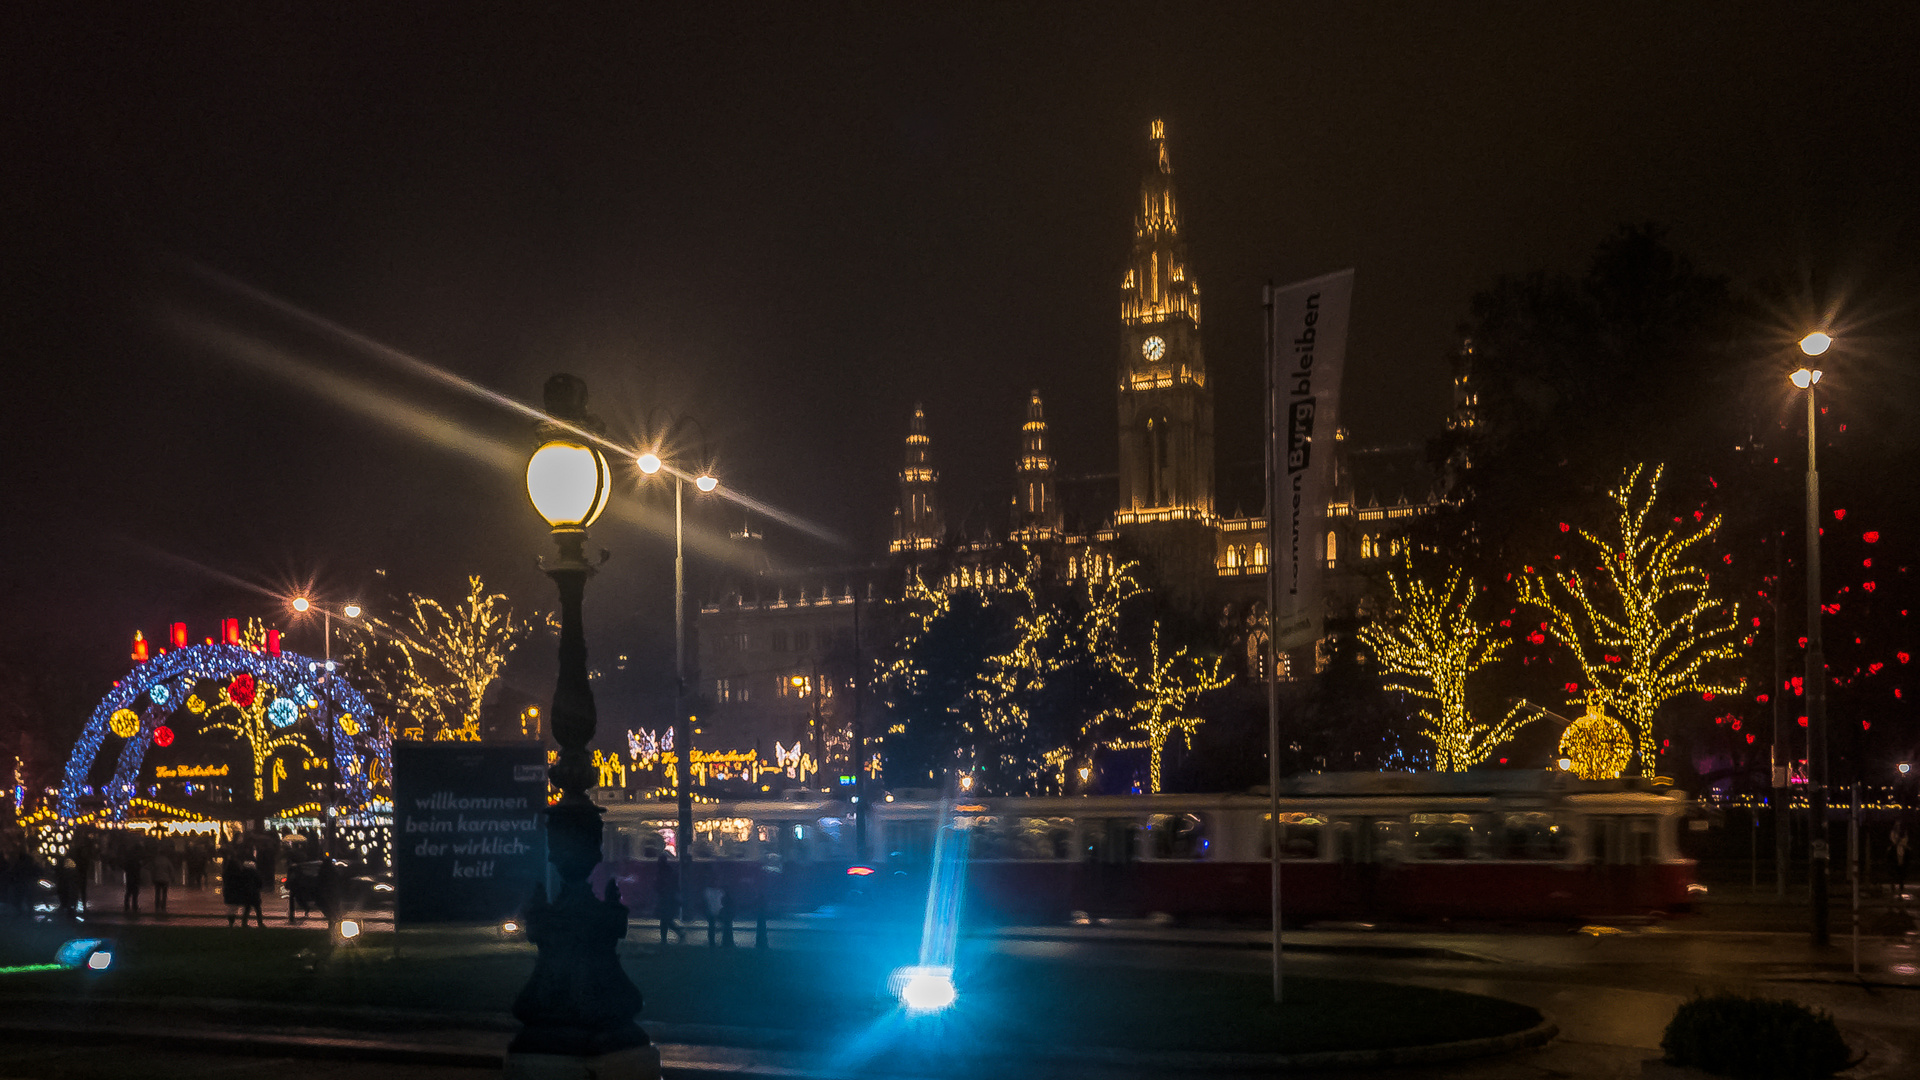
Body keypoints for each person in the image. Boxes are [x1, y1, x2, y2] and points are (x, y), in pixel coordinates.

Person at [653, 853, 684, 945]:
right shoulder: (670, 871)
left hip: (664, 897)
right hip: (670, 898)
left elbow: (658, 885)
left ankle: (664, 938)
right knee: (666, 919)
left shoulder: (661, 871)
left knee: (664, 919)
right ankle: (677, 932)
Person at [149, 848, 176, 915]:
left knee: (157, 893)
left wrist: (152, 878)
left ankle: (157, 907)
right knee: (164, 894)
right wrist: (172, 878)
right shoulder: (167, 861)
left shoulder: (156, 860)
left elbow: (152, 869)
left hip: (157, 879)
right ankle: (163, 907)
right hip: (165, 879)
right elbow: (171, 869)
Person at [121, 845, 145, 915]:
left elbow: (125, 867)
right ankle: (134, 906)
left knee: (128, 892)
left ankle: (127, 906)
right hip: (135, 877)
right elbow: (139, 868)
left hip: (130, 877)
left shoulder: (129, 860)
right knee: (135, 893)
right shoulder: (137, 860)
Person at [1892, 821, 1911, 900]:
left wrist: (1903, 842)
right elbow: (1893, 839)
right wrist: (1897, 841)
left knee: (1908, 851)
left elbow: (1906, 839)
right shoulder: (1893, 832)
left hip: (1902, 844)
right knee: (1892, 851)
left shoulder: (1904, 832)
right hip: (1897, 844)